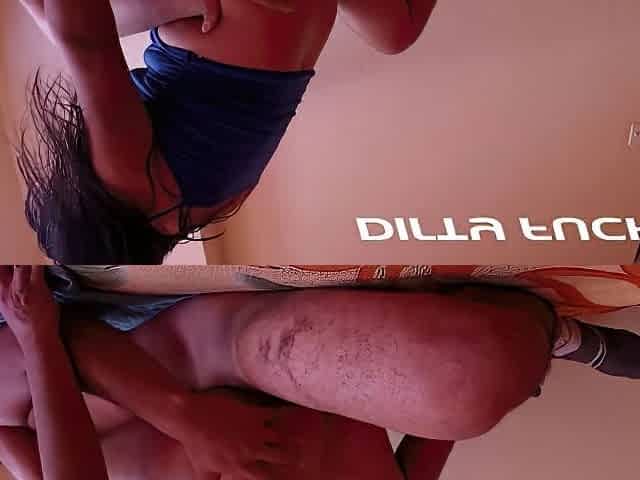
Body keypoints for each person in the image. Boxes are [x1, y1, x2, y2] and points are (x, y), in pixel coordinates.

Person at [2, 267, 639, 478]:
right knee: (471, 379)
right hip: (263, 356)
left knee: (16, 389)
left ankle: (531, 340)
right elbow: (432, 440)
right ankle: (552, 337)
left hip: (174, 355)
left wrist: (185, 417)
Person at [14, 0, 439, 264]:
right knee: (60, 27)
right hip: (241, 7)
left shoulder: (210, 207)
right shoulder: (130, 187)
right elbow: (86, 42)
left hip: (301, 15)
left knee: (395, 33)